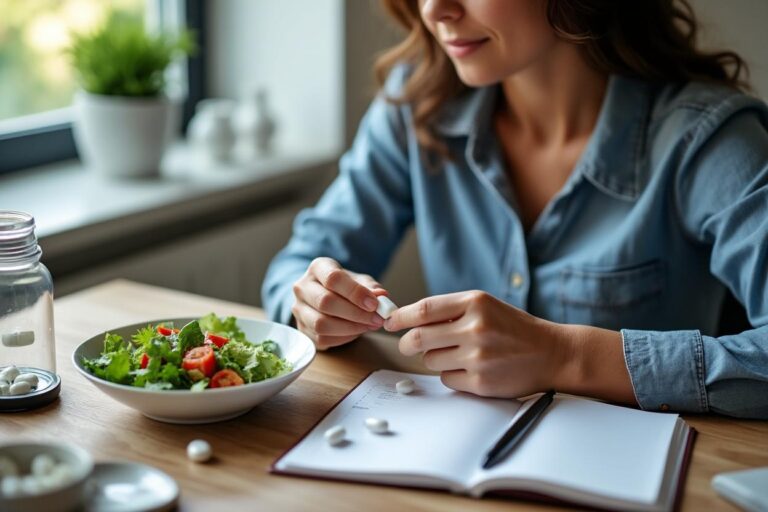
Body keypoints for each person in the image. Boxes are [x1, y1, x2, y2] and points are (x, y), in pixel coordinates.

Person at [263, 0, 768, 419]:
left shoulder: (710, 141)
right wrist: (311, 304)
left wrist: (568, 356)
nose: (436, 10)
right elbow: (296, 266)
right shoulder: (415, 106)